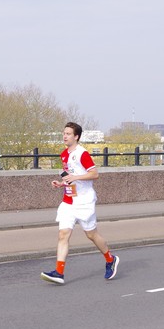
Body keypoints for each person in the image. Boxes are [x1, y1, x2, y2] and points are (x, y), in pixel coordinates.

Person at [41, 121, 119, 284]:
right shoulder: (64, 154)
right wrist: (61, 183)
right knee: (63, 234)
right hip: (68, 201)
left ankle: (110, 259)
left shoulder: (82, 154)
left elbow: (94, 174)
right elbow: (70, 176)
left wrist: (76, 177)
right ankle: (59, 273)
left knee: (91, 235)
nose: (65, 136)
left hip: (84, 201)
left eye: (68, 134)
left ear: (76, 137)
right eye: (64, 133)